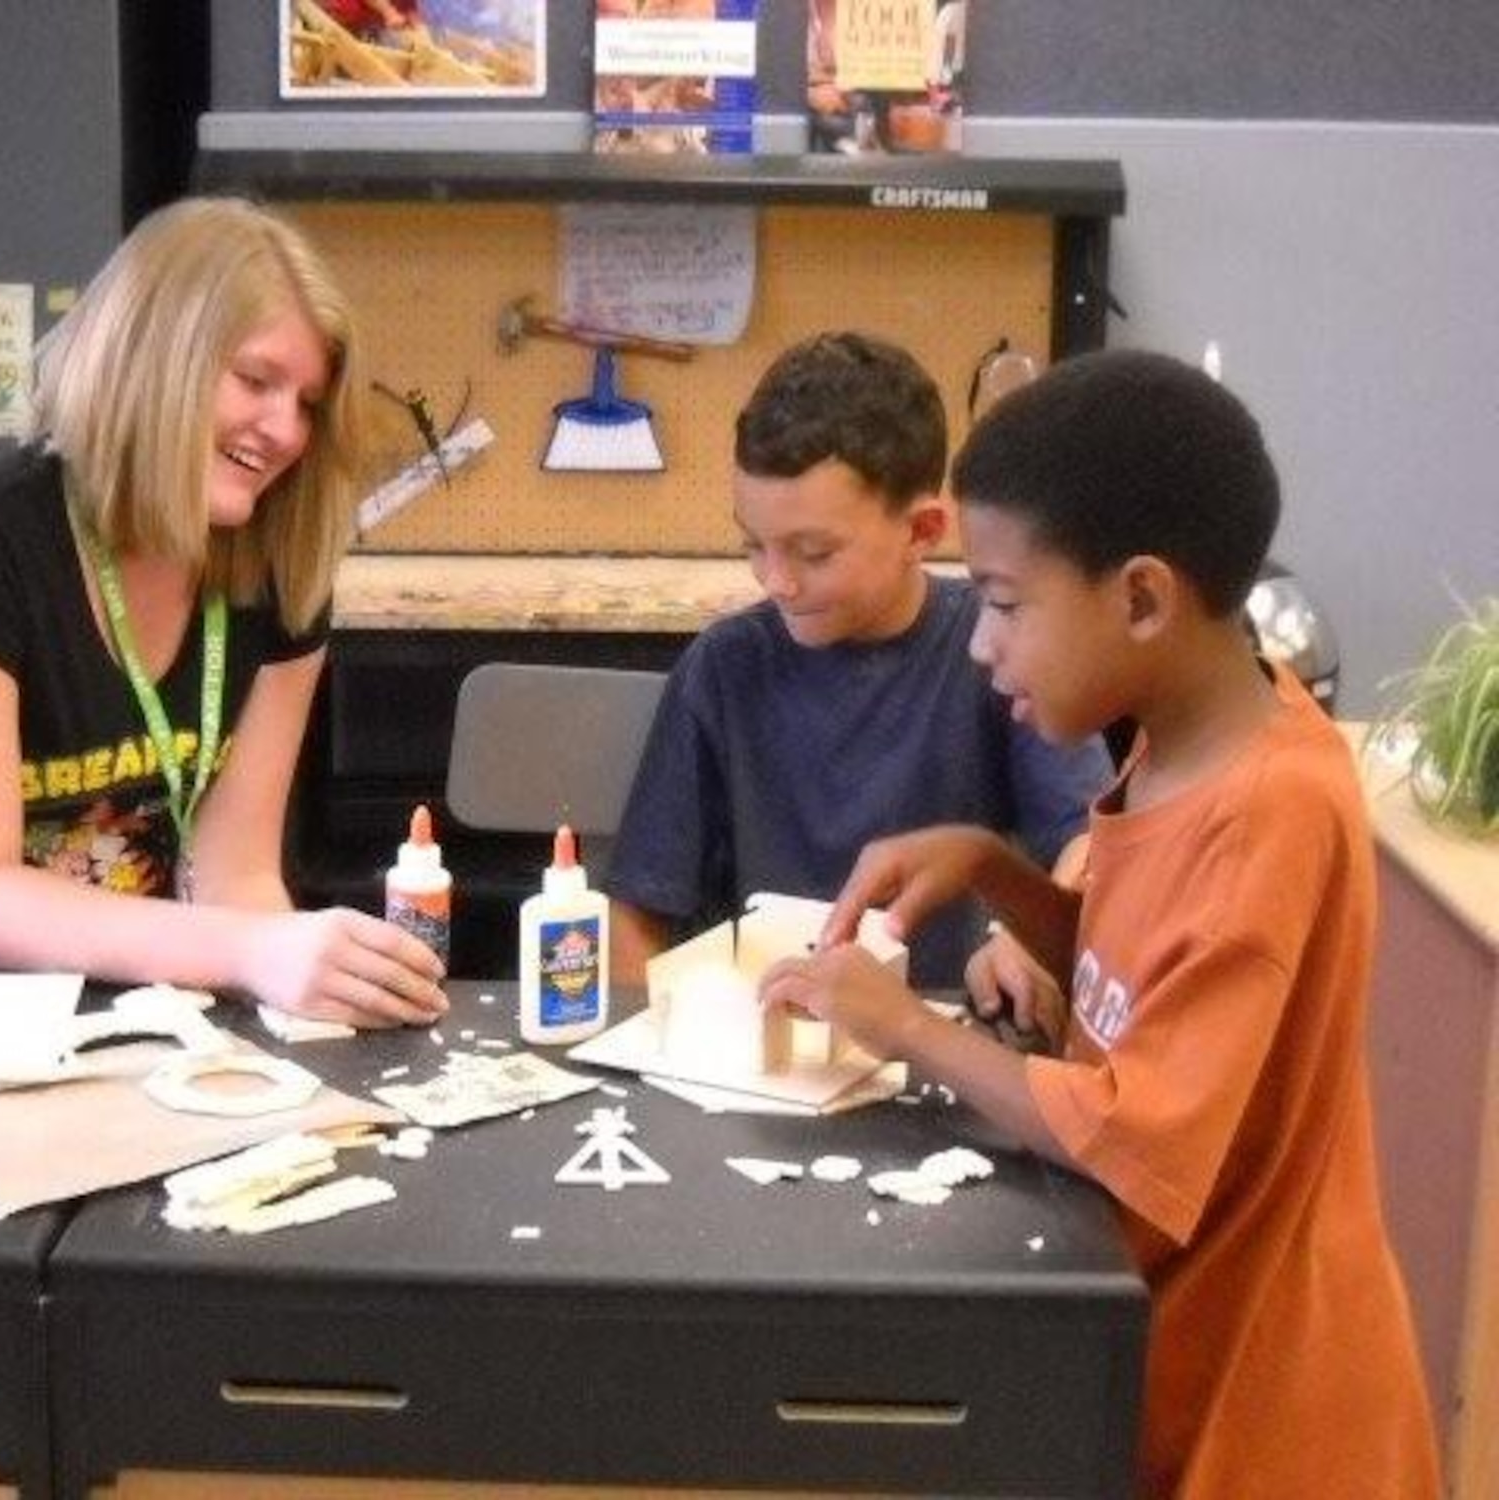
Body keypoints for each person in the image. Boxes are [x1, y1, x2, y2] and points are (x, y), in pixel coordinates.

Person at [763, 349, 1441, 1496]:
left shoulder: (1270, 805)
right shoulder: (1174, 749)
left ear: (1138, 597)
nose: (979, 645)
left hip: (1270, 1411)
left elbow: (1137, 1130)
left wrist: (909, 1029)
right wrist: (995, 870)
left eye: (1003, 604)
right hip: (1165, 1349)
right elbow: (1145, 987)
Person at [0, 197, 447, 1029]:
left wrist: (303, 1000)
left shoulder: (281, 567)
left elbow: (236, 873)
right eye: (256, 380)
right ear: (154, 360)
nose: (286, 430)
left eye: (309, 403)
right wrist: (252, 954)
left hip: (131, 996)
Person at [604, 331, 1111, 987]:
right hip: (769, 1048)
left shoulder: (994, 652)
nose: (776, 582)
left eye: (814, 553)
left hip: (945, 1032)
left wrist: (1037, 932)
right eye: (753, 544)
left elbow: (1095, 844)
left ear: (923, 531)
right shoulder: (725, 669)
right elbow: (638, 913)